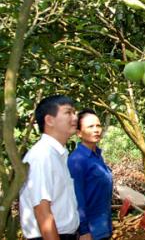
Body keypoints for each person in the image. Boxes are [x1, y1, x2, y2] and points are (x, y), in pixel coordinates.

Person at [19, 95, 79, 240]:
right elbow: (42, 212)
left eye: (74, 112)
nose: (75, 117)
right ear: (49, 120)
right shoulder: (42, 155)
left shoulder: (57, 154)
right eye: (68, 112)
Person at [68, 109, 113, 240]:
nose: (96, 130)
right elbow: (77, 197)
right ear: (79, 133)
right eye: (90, 126)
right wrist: (83, 231)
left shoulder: (97, 156)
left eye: (98, 125)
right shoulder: (77, 160)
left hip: (103, 226)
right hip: (90, 231)